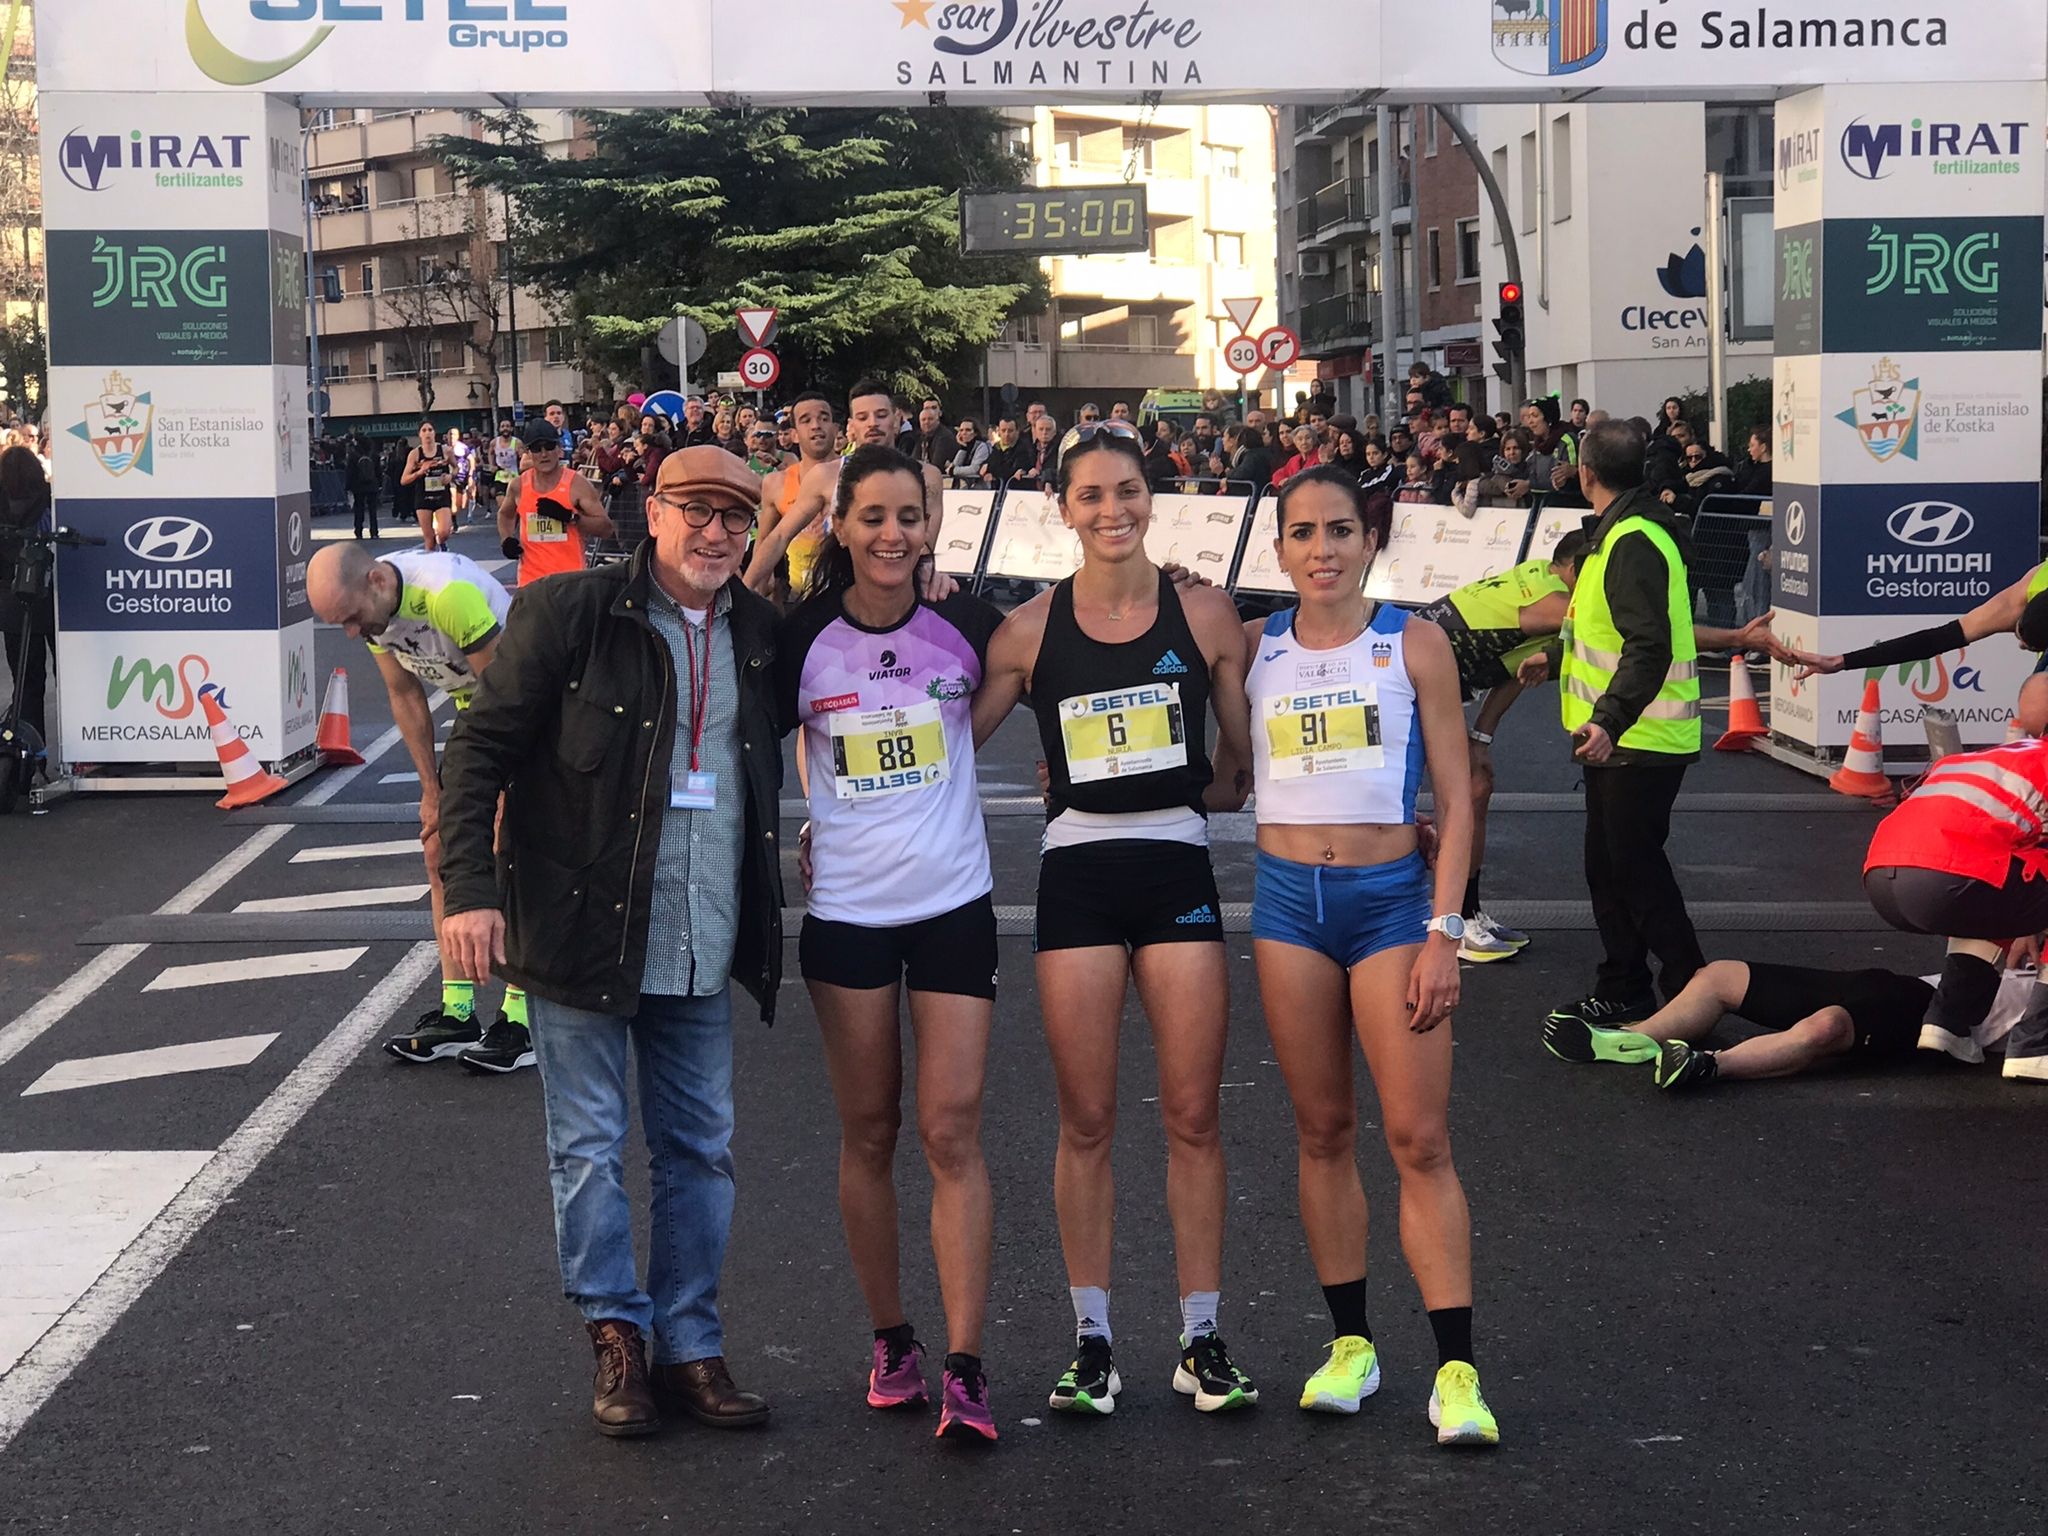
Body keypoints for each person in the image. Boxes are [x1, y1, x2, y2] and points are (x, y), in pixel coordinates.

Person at [437, 446, 784, 1438]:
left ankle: (689, 1344)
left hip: (701, 929)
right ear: (653, 511)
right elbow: (481, 754)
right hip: (579, 923)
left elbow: (869, 651)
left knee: (700, 1153)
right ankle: (615, 1337)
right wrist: (467, 891)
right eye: (697, 512)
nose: (716, 532)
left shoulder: (761, 632)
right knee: (587, 1150)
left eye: (735, 516)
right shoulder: (571, 614)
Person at [970, 420, 1258, 1417]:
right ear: (1062, 511)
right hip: (1077, 878)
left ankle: (1201, 1336)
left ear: (1151, 497)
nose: (1111, 510)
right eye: (1089, 496)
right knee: (1086, 1119)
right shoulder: (1025, 631)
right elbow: (942, 748)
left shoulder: (1208, 615)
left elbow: (1239, 768)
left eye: (1126, 491)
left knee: (1191, 1114)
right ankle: (1091, 1340)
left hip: (1176, 864)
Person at [1237, 466, 1497, 1445]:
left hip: (1390, 905)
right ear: (1279, 552)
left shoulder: (1412, 642)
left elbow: (1457, 792)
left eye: (1340, 530)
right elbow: (1222, 769)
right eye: (1302, 534)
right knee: (1319, 1133)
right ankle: (1350, 1346)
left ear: (1368, 541)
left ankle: (1455, 1373)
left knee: (1418, 1139)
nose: (1322, 550)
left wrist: (1443, 928)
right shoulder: (1255, 647)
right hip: (1284, 905)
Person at [777, 445, 1003, 1443]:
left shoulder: (967, 623)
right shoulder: (798, 639)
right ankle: (891, 1339)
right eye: (870, 516)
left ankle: (964, 1363)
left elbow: (1083, 645)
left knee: (949, 1131)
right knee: (867, 1132)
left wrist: (1171, 586)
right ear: (841, 524)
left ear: (930, 525)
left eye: (908, 516)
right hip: (849, 919)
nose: (890, 535)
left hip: (953, 904)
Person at [303, 543, 532, 1074]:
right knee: (439, 853)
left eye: (352, 619)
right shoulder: (374, 612)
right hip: (472, 714)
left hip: (523, 715)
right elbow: (404, 695)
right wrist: (432, 792)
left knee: (509, 853)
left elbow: (509, 699)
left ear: (377, 582)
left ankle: (522, 1017)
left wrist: (497, 795)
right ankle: (458, 1013)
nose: (352, 633)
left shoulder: (447, 594)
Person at [1546, 419, 1705, 1030]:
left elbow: (1648, 645)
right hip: (1624, 738)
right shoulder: (1623, 534)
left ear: (1585, 474)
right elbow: (1607, 632)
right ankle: (1625, 985)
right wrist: (1554, 657)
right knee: (1612, 869)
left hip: (1637, 738)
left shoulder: (1631, 540)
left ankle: (1692, 989)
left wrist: (1610, 719)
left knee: (1635, 873)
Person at [1860, 680, 2048, 1082]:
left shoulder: (1993, 757)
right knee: (1991, 882)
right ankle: (2036, 1045)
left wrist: (2029, 919)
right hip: (1948, 877)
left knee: (1994, 894)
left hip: (1882, 875)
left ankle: (1949, 1025)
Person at [1543, 958, 1936, 1091]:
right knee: (1718, 976)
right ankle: (1631, 1038)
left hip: (1937, 1012)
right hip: (1907, 984)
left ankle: (1708, 1064)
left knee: (1826, 1027)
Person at [497, 421, 615, 587]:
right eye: (537, 449)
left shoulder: (576, 484)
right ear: (528, 453)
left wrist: (570, 517)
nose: (544, 454)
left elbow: (606, 528)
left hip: (570, 582)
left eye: (549, 446)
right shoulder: (518, 486)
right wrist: (506, 539)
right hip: (531, 583)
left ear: (559, 449)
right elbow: (505, 514)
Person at [755, 392, 840, 602]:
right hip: (799, 599)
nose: (816, 425)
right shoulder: (777, 484)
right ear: (793, 435)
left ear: (836, 428)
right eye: (806, 420)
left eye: (824, 418)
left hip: (850, 598)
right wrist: (753, 595)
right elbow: (765, 541)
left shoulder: (856, 474)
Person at [0, 446, 53, 749]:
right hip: (51, 597)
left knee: (27, 683)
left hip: (12, 602)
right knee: (67, 673)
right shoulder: (48, 497)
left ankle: (31, 753)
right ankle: (81, 754)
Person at [402, 422, 455, 552]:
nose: (427, 433)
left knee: (444, 532)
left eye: (430, 430)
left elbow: (456, 467)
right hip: (423, 497)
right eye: (424, 430)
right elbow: (404, 480)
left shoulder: (445, 451)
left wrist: (450, 476)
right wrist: (419, 472)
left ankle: (442, 543)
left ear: (434, 433)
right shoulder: (415, 454)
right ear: (419, 434)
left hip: (441, 496)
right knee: (429, 540)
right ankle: (431, 567)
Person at [981, 416, 1032, 490]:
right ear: (999, 431)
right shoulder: (997, 447)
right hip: (998, 491)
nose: (1006, 434)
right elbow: (985, 466)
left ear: (1017, 431)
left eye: (1010, 431)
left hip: (1016, 492)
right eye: (1003, 430)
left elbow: (1011, 471)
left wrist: (991, 470)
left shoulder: (1024, 448)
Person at [348, 439, 382, 539]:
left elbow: (350, 472)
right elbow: (378, 471)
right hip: (372, 486)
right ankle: (374, 531)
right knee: (372, 510)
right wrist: (379, 483)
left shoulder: (353, 456)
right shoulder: (374, 455)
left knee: (359, 509)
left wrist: (349, 486)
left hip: (358, 486)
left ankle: (358, 531)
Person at [1729, 426, 1773, 499]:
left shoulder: (1766, 472)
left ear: (1763, 448)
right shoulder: (1750, 465)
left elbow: (1748, 494)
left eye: (1752, 445)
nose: (1749, 449)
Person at [947, 417, 989, 486]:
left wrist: (953, 471)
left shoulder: (982, 446)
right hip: (964, 486)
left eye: (968, 430)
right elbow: (955, 465)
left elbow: (974, 469)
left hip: (979, 487)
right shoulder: (965, 447)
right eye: (961, 430)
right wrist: (963, 448)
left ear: (975, 433)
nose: (964, 433)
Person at [913, 399, 951, 469]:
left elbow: (936, 465)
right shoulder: (922, 436)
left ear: (937, 420)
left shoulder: (944, 437)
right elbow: (914, 460)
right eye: (923, 420)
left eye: (930, 419)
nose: (926, 422)